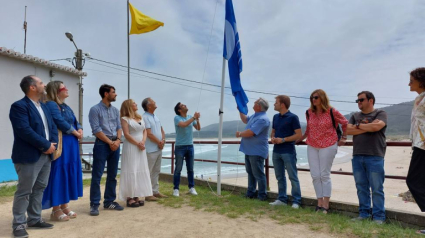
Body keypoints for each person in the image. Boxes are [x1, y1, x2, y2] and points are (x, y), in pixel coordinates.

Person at [9, 75, 58, 238]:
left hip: (46, 155)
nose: (44, 85)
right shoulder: (19, 106)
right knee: (25, 191)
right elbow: (24, 130)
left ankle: (35, 219)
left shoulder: (44, 107)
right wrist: (45, 145)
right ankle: (18, 224)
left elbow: (52, 127)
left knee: (39, 188)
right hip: (28, 155)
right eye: (41, 83)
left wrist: (53, 145)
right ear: (32, 87)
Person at [297, 89, 348, 213]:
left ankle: (326, 204)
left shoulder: (332, 111)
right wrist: (300, 139)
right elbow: (309, 129)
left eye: (316, 97)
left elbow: (345, 122)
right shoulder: (309, 112)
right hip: (312, 145)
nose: (313, 100)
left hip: (328, 144)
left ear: (322, 98)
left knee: (324, 175)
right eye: (312, 98)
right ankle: (319, 202)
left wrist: (344, 137)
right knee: (315, 175)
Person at [42, 81, 83, 221]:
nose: (66, 89)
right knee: (59, 173)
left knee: (68, 173)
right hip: (62, 143)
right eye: (63, 88)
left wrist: (80, 129)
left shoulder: (65, 106)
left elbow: (75, 121)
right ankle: (56, 209)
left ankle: (65, 205)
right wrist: (75, 132)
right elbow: (59, 121)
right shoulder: (52, 104)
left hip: (71, 143)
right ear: (56, 91)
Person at [346, 91, 387, 224]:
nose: (359, 102)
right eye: (357, 100)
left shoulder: (380, 113)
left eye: (361, 100)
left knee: (377, 188)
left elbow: (377, 126)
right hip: (357, 156)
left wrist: (357, 126)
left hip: (375, 156)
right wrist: (367, 127)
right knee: (361, 187)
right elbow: (346, 130)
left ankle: (379, 217)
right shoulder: (355, 115)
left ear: (370, 100)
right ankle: (364, 214)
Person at [88, 84, 123, 216]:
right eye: (113, 92)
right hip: (102, 144)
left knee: (112, 175)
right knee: (97, 176)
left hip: (115, 143)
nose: (116, 94)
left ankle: (109, 201)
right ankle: (94, 204)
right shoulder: (94, 109)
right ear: (106, 94)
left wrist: (118, 140)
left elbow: (119, 127)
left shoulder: (115, 110)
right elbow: (96, 130)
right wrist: (110, 142)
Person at [269, 95, 302, 208]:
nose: (274, 104)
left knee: (292, 176)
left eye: (276, 102)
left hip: (288, 151)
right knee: (279, 177)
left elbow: (298, 135)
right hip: (276, 151)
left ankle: (296, 201)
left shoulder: (293, 117)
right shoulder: (275, 117)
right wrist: (273, 138)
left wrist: (283, 140)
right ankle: (282, 199)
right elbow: (273, 132)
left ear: (282, 104)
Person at [119, 99, 153, 207]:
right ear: (129, 106)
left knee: (139, 169)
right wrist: (137, 143)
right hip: (131, 146)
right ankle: (129, 196)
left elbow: (144, 131)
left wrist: (143, 142)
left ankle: (136, 194)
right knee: (131, 169)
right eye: (134, 103)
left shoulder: (140, 117)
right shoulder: (124, 119)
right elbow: (127, 134)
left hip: (141, 147)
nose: (136, 104)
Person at [236, 97, 270, 201]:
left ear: (259, 106)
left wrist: (240, 134)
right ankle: (250, 193)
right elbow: (245, 119)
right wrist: (240, 110)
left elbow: (251, 132)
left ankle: (262, 195)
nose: (253, 104)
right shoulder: (255, 116)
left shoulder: (263, 119)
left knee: (258, 174)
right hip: (250, 150)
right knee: (250, 172)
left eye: (255, 103)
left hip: (257, 151)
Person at [407, 68, 425, 233]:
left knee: (413, 180)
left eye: (411, 81)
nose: (409, 84)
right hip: (419, 144)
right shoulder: (419, 98)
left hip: (424, 146)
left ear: (421, 80)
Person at [173, 102, 201, 197]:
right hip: (180, 147)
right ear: (179, 110)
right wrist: (193, 117)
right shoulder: (177, 118)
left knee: (190, 169)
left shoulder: (190, 117)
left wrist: (197, 119)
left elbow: (198, 128)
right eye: (183, 105)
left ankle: (191, 188)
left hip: (190, 146)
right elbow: (184, 124)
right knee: (178, 169)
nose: (185, 105)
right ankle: (176, 189)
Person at [142, 98, 167, 201]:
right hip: (150, 149)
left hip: (158, 148)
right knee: (149, 171)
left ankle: (155, 191)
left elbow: (161, 130)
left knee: (156, 170)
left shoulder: (156, 116)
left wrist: (163, 140)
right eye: (153, 101)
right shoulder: (145, 117)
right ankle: (148, 193)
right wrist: (159, 142)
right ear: (148, 106)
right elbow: (149, 133)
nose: (155, 102)